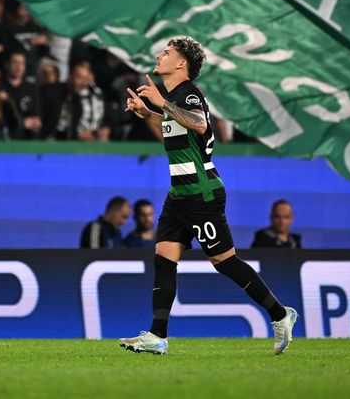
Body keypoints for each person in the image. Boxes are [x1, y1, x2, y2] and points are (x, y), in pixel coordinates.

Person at [119, 37, 297, 355]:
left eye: (166, 53)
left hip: (201, 195)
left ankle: (280, 314)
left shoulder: (187, 94)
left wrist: (160, 103)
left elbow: (199, 124)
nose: (159, 56)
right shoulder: (175, 99)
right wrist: (148, 113)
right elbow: (177, 126)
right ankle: (157, 336)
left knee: (224, 262)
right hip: (179, 195)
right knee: (164, 259)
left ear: (181, 63)